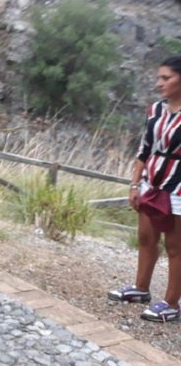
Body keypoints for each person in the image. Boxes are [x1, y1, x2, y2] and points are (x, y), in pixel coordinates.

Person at [108, 56, 181, 323]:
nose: (159, 83)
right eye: (159, 78)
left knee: (176, 246)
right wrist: (134, 183)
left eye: (166, 78)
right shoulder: (156, 111)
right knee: (146, 237)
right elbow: (143, 150)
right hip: (152, 182)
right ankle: (140, 289)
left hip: (179, 188)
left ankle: (172, 303)